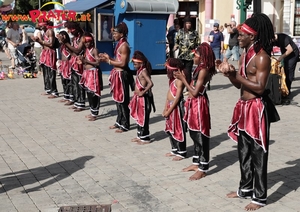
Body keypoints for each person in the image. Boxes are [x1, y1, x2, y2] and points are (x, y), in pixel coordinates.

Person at [219, 13, 280, 211]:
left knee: (258, 154)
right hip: (243, 106)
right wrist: (230, 75)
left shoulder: (262, 57)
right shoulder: (245, 55)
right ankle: (245, 188)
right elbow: (240, 85)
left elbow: (260, 87)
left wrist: (236, 74)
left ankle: (260, 197)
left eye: (242, 35)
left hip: (256, 108)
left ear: (252, 36)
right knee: (243, 151)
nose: (238, 38)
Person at [174, 42, 216, 180]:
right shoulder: (199, 67)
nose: (193, 57)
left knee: (201, 135)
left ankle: (203, 167)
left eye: (195, 55)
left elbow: (196, 92)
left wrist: (183, 80)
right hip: (193, 104)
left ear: (202, 57)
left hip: (199, 104)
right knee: (193, 133)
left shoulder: (203, 70)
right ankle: (196, 161)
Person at [100, 22, 134, 133]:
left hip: (122, 75)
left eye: (115, 33)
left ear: (122, 34)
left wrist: (108, 61)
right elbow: (117, 60)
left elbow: (123, 64)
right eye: (113, 33)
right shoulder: (119, 43)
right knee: (117, 100)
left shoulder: (124, 46)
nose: (113, 35)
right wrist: (108, 57)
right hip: (116, 74)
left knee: (123, 100)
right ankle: (119, 121)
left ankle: (125, 124)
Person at [129, 50, 155, 144]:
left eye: (135, 64)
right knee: (139, 117)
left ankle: (145, 137)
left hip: (143, 99)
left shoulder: (143, 71)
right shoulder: (139, 70)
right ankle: (139, 135)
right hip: (138, 98)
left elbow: (151, 83)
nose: (134, 65)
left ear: (141, 63)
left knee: (143, 118)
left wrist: (143, 92)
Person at [163, 58, 186, 161]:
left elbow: (177, 98)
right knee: (170, 129)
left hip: (176, 107)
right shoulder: (172, 80)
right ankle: (174, 148)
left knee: (178, 128)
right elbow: (168, 95)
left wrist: (169, 110)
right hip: (170, 106)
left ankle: (182, 151)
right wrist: (165, 108)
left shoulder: (179, 80)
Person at [62, 21, 86, 112]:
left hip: (80, 63)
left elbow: (78, 50)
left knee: (80, 84)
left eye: (70, 29)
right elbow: (73, 52)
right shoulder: (75, 38)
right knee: (74, 83)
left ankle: (81, 103)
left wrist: (66, 43)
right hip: (73, 62)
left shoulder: (82, 37)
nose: (69, 31)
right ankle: (77, 102)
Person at [78, 32, 101, 121]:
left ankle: (95, 113)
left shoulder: (94, 50)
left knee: (93, 93)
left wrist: (86, 61)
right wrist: (82, 61)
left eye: (88, 42)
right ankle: (92, 111)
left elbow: (97, 63)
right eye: (85, 42)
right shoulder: (86, 50)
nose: (87, 43)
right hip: (86, 73)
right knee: (88, 93)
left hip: (93, 73)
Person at [33, 21, 58, 98]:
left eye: (42, 25)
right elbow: (43, 43)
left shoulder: (50, 31)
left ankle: (54, 92)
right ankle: (48, 89)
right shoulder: (43, 32)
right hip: (45, 52)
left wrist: (40, 41)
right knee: (46, 72)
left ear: (46, 25)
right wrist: (37, 41)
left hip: (50, 53)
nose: (40, 27)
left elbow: (51, 44)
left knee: (51, 72)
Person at [174, 16, 199, 94]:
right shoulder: (180, 32)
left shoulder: (195, 33)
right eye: (187, 23)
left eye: (189, 23)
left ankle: (188, 88)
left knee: (188, 73)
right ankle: (179, 86)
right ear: (184, 24)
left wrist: (197, 53)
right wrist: (175, 46)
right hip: (181, 55)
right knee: (180, 72)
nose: (188, 25)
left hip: (190, 56)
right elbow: (176, 42)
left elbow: (198, 44)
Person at [272, 33, 299, 104]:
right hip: (286, 54)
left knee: (289, 71)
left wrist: (281, 57)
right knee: (285, 71)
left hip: (293, 54)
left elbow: (290, 50)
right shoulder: (274, 39)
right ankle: (284, 89)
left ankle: (287, 92)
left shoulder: (283, 38)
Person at [57, 30, 72, 103]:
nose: (59, 39)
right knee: (64, 81)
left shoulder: (68, 45)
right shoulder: (62, 45)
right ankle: (66, 96)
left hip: (68, 64)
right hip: (63, 64)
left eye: (61, 37)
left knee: (69, 81)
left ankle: (71, 97)